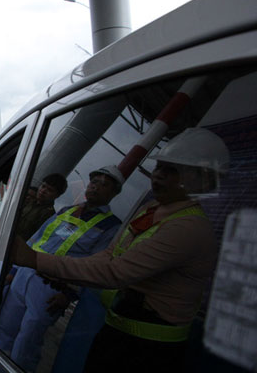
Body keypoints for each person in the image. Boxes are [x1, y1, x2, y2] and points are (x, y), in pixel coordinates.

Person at [12, 128, 229, 373]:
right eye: (159, 168)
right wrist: (60, 275)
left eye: (172, 171)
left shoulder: (188, 228)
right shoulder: (152, 208)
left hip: (148, 347)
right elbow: (109, 255)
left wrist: (36, 260)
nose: (158, 177)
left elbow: (116, 272)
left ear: (203, 180)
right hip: (117, 327)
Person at [0, 166, 124, 372]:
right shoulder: (66, 211)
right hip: (24, 276)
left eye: (104, 185)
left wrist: (70, 294)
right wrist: (14, 271)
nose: (95, 187)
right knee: (5, 329)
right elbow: (35, 240)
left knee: (27, 341)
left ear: (114, 193)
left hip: (51, 288)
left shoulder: (111, 227)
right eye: (93, 182)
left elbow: (96, 266)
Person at [15, 174, 68, 240]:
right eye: (43, 186)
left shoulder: (48, 215)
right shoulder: (29, 202)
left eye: (49, 190)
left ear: (57, 195)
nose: (43, 191)